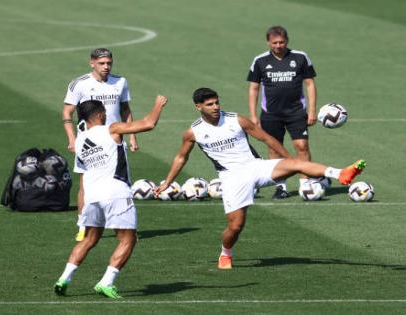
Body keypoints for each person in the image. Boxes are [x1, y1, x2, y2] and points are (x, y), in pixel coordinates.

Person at [154, 88, 365, 270]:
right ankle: (226, 253)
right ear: (198, 107)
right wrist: (167, 181)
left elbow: (266, 138)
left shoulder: (237, 120)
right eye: (210, 104)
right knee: (235, 227)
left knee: (297, 163)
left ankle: (341, 174)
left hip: (255, 166)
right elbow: (181, 157)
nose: (216, 106)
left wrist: (287, 159)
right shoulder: (193, 132)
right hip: (232, 178)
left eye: (217, 102)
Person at [54, 95, 168, 299]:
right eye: (104, 113)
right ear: (99, 115)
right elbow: (148, 124)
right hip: (116, 193)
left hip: (92, 196)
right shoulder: (112, 129)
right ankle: (107, 282)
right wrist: (158, 104)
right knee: (128, 239)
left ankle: (64, 278)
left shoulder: (80, 141)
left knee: (89, 238)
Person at [62, 48, 138, 242]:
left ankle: (122, 226)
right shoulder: (80, 84)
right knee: (85, 184)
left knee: (121, 182)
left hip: (115, 142)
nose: (106, 67)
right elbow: (67, 113)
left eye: (109, 63)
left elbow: (125, 109)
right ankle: (82, 225)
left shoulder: (120, 82)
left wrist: (132, 136)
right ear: (92, 63)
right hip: (89, 143)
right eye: (102, 63)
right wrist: (72, 139)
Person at [247, 25, 317, 199]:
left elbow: (309, 84)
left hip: (296, 112)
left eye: (282, 42)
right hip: (270, 114)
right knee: (274, 150)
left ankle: (305, 184)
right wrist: (253, 115)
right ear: (268, 42)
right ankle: (280, 186)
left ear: (287, 41)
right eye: (274, 43)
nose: (278, 46)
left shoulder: (300, 57)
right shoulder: (260, 61)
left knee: (302, 146)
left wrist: (312, 110)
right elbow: (254, 88)